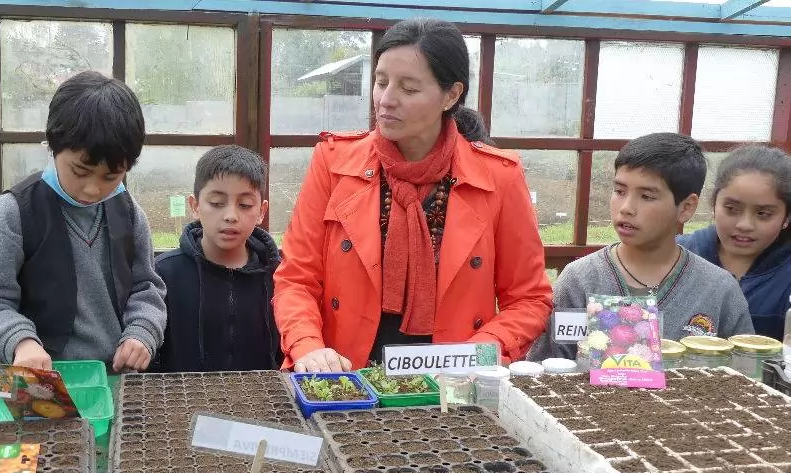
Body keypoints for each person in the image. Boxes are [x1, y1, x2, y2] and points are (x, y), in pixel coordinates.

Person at [272, 18, 553, 373]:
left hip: (451, 383)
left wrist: (476, 355)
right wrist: (308, 346)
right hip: (343, 376)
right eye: (380, 81)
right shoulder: (334, 163)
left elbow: (529, 299)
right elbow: (297, 278)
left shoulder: (499, 177)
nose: (386, 100)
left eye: (409, 88)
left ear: (451, 95)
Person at [0, 71, 166, 371]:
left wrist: (142, 332)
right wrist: (21, 342)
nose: (93, 189)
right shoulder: (12, 212)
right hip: (43, 378)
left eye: (111, 177)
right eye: (80, 170)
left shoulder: (128, 211)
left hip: (116, 375)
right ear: (52, 145)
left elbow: (147, 287)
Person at [528, 133, 754, 361]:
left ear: (686, 207)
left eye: (646, 196)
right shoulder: (581, 280)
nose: (626, 208)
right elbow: (549, 370)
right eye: (619, 191)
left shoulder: (718, 289)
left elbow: (745, 377)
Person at [153, 145, 281, 372]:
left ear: (261, 211)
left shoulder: (278, 276)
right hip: (184, 404)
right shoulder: (165, 274)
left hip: (261, 403)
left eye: (244, 205)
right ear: (195, 206)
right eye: (216, 203)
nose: (231, 216)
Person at [678, 145, 791, 339]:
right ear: (714, 205)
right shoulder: (677, 253)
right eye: (731, 209)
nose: (745, 225)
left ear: (786, 218)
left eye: (763, 214)